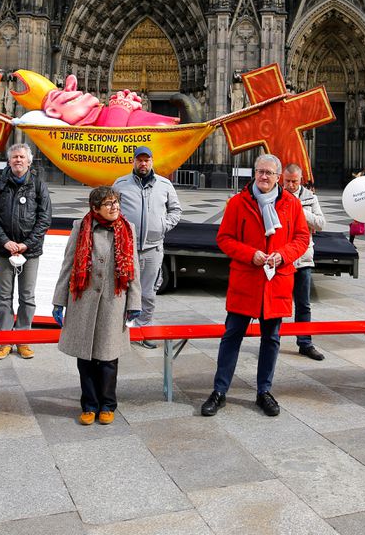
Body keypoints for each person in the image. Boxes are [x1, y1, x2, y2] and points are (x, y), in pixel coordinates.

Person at [200, 154, 310, 418]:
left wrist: (283, 254)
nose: (263, 177)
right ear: (254, 174)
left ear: (278, 177)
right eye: (260, 172)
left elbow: (302, 237)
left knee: (271, 339)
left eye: (269, 173)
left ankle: (264, 391)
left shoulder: (291, 204)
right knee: (231, 337)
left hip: (276, 281)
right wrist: (250, 254)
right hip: (246, 280)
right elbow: (224, 238)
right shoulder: (238, 202)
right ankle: (219, 391)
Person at [52, 186, 142, 425]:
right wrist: (59, 301)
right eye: (109, 204)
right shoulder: (80, 227)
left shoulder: (127, 229)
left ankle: (108, 405)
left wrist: (134, 302)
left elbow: (133, 270)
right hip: (83, 302)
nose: (115, 207)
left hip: (114, 302)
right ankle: (89, 405)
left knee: (109, 358)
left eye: (116, 203)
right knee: (86, 358)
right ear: (95, 208)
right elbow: (68, 264)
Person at [0, 143, 52, 360]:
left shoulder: (38, 186)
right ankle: (4, 340)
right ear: (9, 161)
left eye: (22, 157)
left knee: (27, 296)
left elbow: (45, 218)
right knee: (3, 296)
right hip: (4, 251)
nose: (18, 160)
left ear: (29, 161)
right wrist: (5, 242)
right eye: (14, 157)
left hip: (29, 251)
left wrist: (27, 244)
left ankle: (23, 339)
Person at [112, 146, 181, 345]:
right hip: (127, 247)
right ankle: (121, 330)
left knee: (148, 291)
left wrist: (162, 226)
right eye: (139, 160)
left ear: (152, 161)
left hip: (153, 248)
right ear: (133, 161)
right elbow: (111, 209)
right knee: (122, 289)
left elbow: (176, 210)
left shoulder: (165, 184)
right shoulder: (121, 184)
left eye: (147, 160)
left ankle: (144, 329)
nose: (143, 163)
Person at [282, 164, 326, 361]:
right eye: (287, 182)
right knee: (276, 302)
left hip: (303, 258)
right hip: (281, 258)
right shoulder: (275, 195)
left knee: (303, 303)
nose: (291, 185)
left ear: (301, 180)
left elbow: (320, 223)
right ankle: (271, 339)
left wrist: (298, 208)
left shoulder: (310, 197)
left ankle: (305, 342)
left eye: (295, 181)